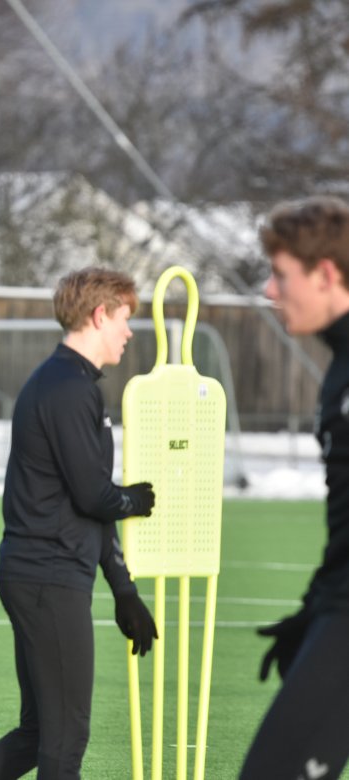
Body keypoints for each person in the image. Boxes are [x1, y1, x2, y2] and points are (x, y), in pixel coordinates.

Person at [0, 267, 159, 780]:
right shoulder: (67, 388)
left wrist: (123, 589)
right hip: (48, 576)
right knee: (65, 739)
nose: (128, 332)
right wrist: (134, 500)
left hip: (42, 573)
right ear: (99, 315)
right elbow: (95, 495)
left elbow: (89, 502)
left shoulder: (74, 383)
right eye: (124, 318)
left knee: (40, 734)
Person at [240, 196, 349, 779]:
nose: (269, 289)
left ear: (326, 274)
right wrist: (316, 610)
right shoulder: (338, 370)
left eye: (281, 275)